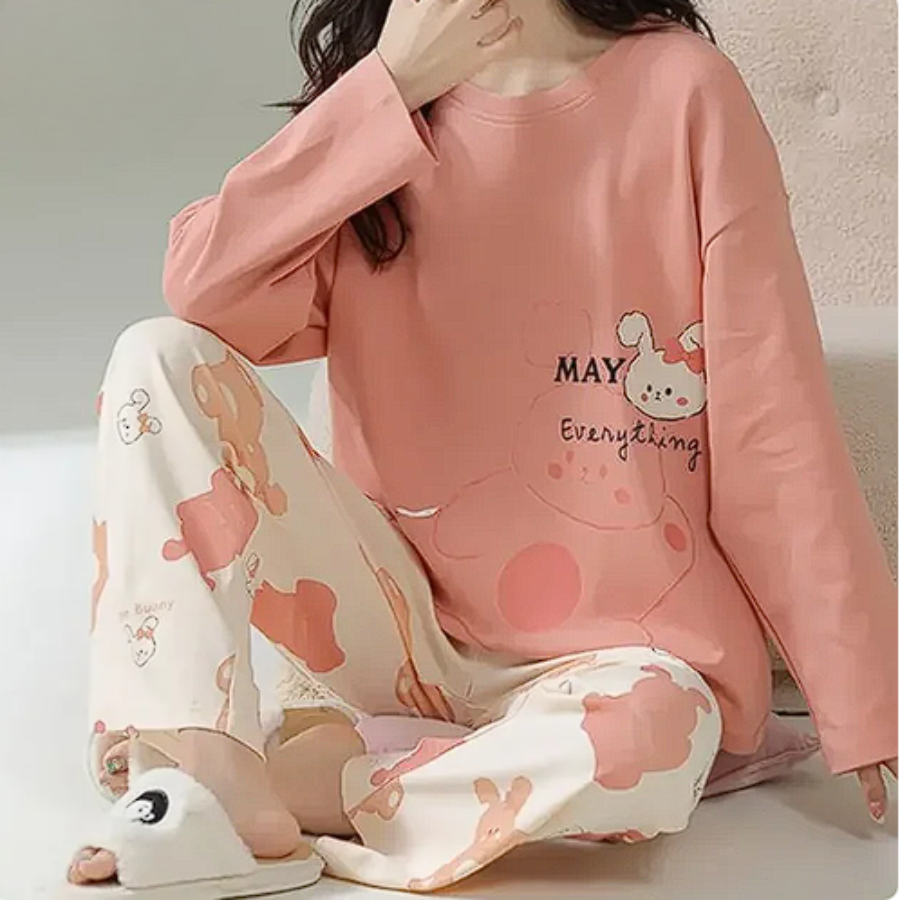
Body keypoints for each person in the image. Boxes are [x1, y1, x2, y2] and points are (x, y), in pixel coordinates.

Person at [67, 0, 897, 892]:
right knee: (156, 356)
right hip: (396, 633)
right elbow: (202, 288)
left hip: (621, 666)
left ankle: (282, 789)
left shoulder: (684, 90)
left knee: (651, 743)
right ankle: (206, 757)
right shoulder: (379, 105)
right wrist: (388, 88)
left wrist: (865, 700)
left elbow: (771, 415)